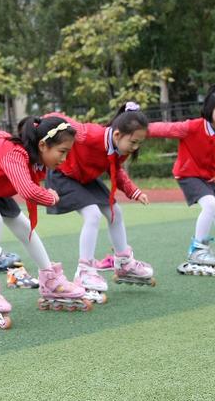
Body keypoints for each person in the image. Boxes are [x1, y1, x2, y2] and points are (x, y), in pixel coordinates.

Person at [0, 116, 91, 329]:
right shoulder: (15, 155)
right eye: (62, 151)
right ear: (42, 145)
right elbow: (28, 191)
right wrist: (50, 197)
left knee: (22, 224)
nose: (64, 158)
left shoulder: (27, 152)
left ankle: (50, 279)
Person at [146, 84, 215, 276]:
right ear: (209, 109)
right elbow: (165, 128)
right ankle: (198, 249)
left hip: (208, 177)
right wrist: (139, 127)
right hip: (188, 174)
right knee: (210, 204)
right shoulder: (192, 127)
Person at [45, 103, 154, 302]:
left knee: (116, 213)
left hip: (85, 179)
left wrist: (134, 191)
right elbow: (59, 119)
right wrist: (42, 122)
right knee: (92, 214)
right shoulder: (89, 135)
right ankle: (84, 271)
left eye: (139, 143)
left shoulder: (120, 150)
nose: (135, 147)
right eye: (134, 142)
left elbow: (117, 171)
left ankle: (123, 262)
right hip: (64, 175)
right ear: (118, 134)